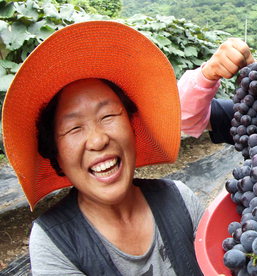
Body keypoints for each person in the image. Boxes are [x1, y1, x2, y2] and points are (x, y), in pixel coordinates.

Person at [2, 21, 202, 275]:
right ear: (57, 156)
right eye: (74, 128)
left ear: (131, 126)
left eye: (108, 116)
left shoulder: (180, 199)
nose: (98, 141)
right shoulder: (53, 243)